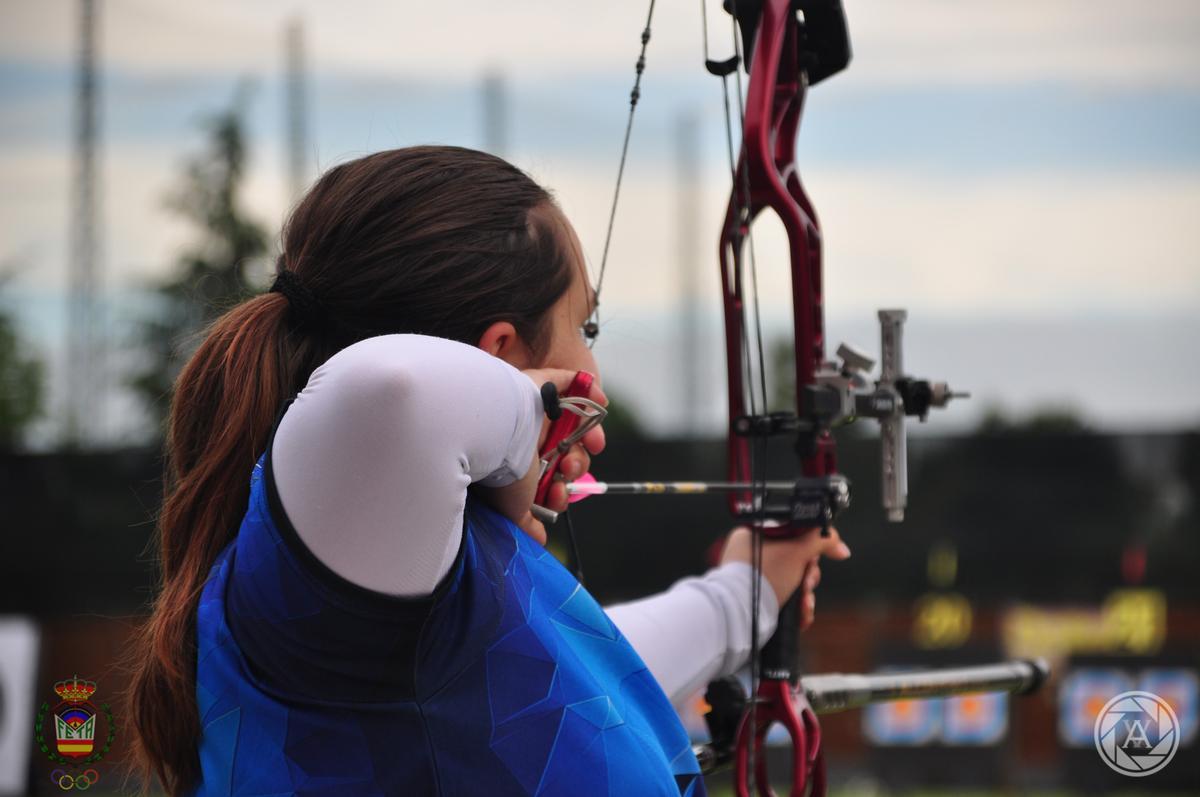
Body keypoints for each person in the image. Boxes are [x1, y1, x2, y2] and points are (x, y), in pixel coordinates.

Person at [126, 146, 850, 796]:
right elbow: (395, 388)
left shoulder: (410, 572)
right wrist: (534, 417)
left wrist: (750, 587)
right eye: (585, 327)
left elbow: (585, 680)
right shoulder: (331, 556)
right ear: (501, 351)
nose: (591, 368)